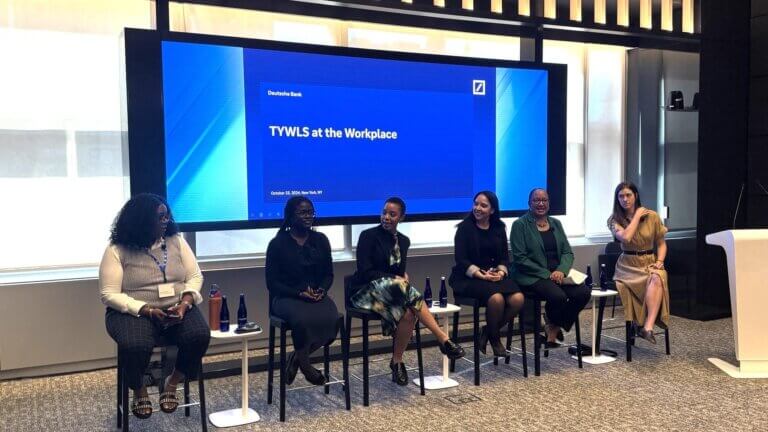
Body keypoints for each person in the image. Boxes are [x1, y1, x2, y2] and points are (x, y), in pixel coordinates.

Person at [100, 193, 210, 419]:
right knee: (136, 345)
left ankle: (172, 382)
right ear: (141, 220)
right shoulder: (117, 250)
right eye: (159, 218)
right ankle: (139, 388)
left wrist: (185, 303)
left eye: (166, 216)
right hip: (133, 312)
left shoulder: (176, 241)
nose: (166, 222)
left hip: (177, 306)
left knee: (199, 335)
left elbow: (195, 276)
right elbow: (109, 294)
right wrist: (146, 309)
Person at [351, 197, 465, 385]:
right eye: (384, 213)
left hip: (394, 292)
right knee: (403, 288)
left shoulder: (403, 241)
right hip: (365, 292)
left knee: (410, 315)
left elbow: (399, 271)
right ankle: (443, 338)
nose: (386, 217)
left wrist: (399, 279)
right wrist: (393, 279)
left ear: (401, 217)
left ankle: (397, 362)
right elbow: (365, 272)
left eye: (392, 214)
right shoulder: (368, 236)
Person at [265, 196, 339, 385]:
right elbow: (272, 284)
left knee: (331, 319)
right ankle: (306, 367)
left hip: (315, 296)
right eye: (302, 212)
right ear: (290, 216)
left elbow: (328, 274)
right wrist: (299, 293)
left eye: (310, 212)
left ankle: (297, 357)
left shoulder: (321, 240)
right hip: (286, 298)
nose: (308, 216)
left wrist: (322, 290)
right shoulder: (277, 244)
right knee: (303, 320)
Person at [510, 188, 591, 348]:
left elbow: (567, 252)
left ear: (548, 203)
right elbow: (520, 258)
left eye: (544, 200)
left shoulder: (556, 223)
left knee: (583, 293)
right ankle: (553, 326)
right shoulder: (520, 225)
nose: (541, 203)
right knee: (558, 297)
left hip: (558, 274)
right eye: (536, 200)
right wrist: (548, 274)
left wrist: (561, 270)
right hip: (532, 275)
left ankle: (553, 325)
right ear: (529, 203)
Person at [449, 191, 524, 356]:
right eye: (476, 204)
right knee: (496, 298)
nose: (478, 208)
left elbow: (504, 257)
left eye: (483, 205)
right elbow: (461, 260)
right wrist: (479, 274)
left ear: (492, 210)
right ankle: (495, 340)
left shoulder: (499, 228)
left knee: (518, 299)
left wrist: (501, 273)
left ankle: (488, 330)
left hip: (493, 277)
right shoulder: (464, 228)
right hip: (468, 278)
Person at [607, 181, 669, 344]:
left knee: (657, 277)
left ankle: (647, 328)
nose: (625, 199)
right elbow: (626, 237)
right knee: (633, 286)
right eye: (621, 196)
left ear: (636, 196)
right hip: (627, 265)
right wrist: (637, 215)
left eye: (628, 195)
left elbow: (661, 243)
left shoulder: (653, 216)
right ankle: (639, 324)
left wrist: (660, 261)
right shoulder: (614, 220)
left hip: (649, 262)